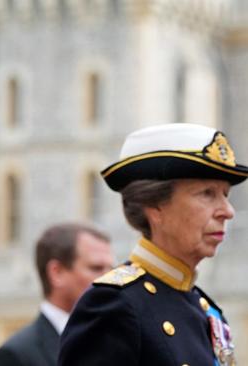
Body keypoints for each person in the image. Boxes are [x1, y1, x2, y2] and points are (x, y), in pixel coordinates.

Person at [58, 123, 245, 366]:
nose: (227, 211)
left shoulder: (205, 308)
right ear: (155, 206)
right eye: (207, 194)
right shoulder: (113, 306)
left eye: (225, 195)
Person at [0, 223, 114, 366]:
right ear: (57, 272)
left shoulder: (114, 342)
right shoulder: (14, 356)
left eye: (111, 269)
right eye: (96, 268)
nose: (109, 278)